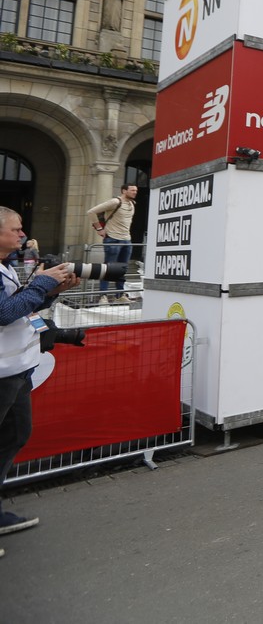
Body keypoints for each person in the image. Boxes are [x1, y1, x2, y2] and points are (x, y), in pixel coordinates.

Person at [1, 206, 81, 552]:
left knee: (16, 435)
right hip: (3, 374)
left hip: (17, 370)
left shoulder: (6, 266)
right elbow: (3, 314)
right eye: (16, 229)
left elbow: (22, 309)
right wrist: (42, 283)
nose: (22, 234)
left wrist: (50, 292)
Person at [86, 183, 137, 302]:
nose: (135, 192)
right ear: (124, 191)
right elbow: (91, 212)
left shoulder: (132, 204)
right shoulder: (115, 202)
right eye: (132, 190)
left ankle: (119, 295)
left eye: (136, 190)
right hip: (113, 238)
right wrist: (99, 229)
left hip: (127, 239)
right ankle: (102, 296)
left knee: (122, 268)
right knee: (109, 268)